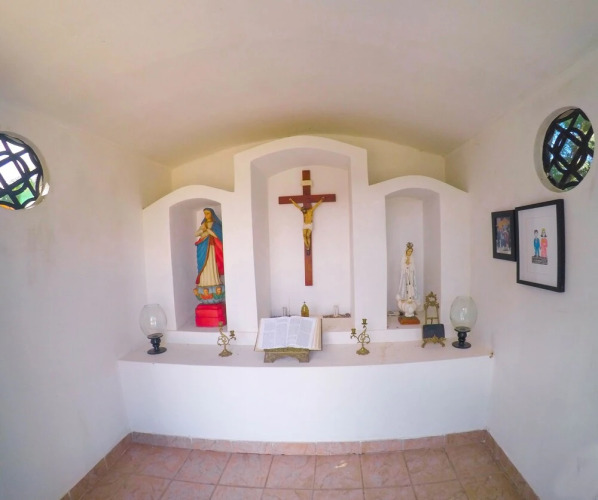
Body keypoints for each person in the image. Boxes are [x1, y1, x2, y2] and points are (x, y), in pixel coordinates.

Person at [195, 208, 224, 289]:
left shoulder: (215, 225)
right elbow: (196, 234)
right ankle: (203, 282)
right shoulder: (203, 224)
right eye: (205, 213)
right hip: (202, 246)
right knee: (203, 263)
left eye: (207, 213)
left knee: (211, 262)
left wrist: (208, 230)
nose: (206, 215)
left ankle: (214, 281)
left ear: (212, 214)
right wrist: (203, 230)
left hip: (211, 247)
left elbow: (218, 236)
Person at [396, 242, 418, 317]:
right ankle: (404, 297)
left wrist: (410, 267)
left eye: (411, 251)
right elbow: (403, 266)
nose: (410, 253)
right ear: (406, 251)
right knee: (405, 286)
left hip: (410, 274)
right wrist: (406, 265)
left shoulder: (412, 258)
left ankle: (410, 297)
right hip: (405, 275)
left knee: (410, 286)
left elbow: (413, 267)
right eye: (408, 251)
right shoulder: (404, 258)